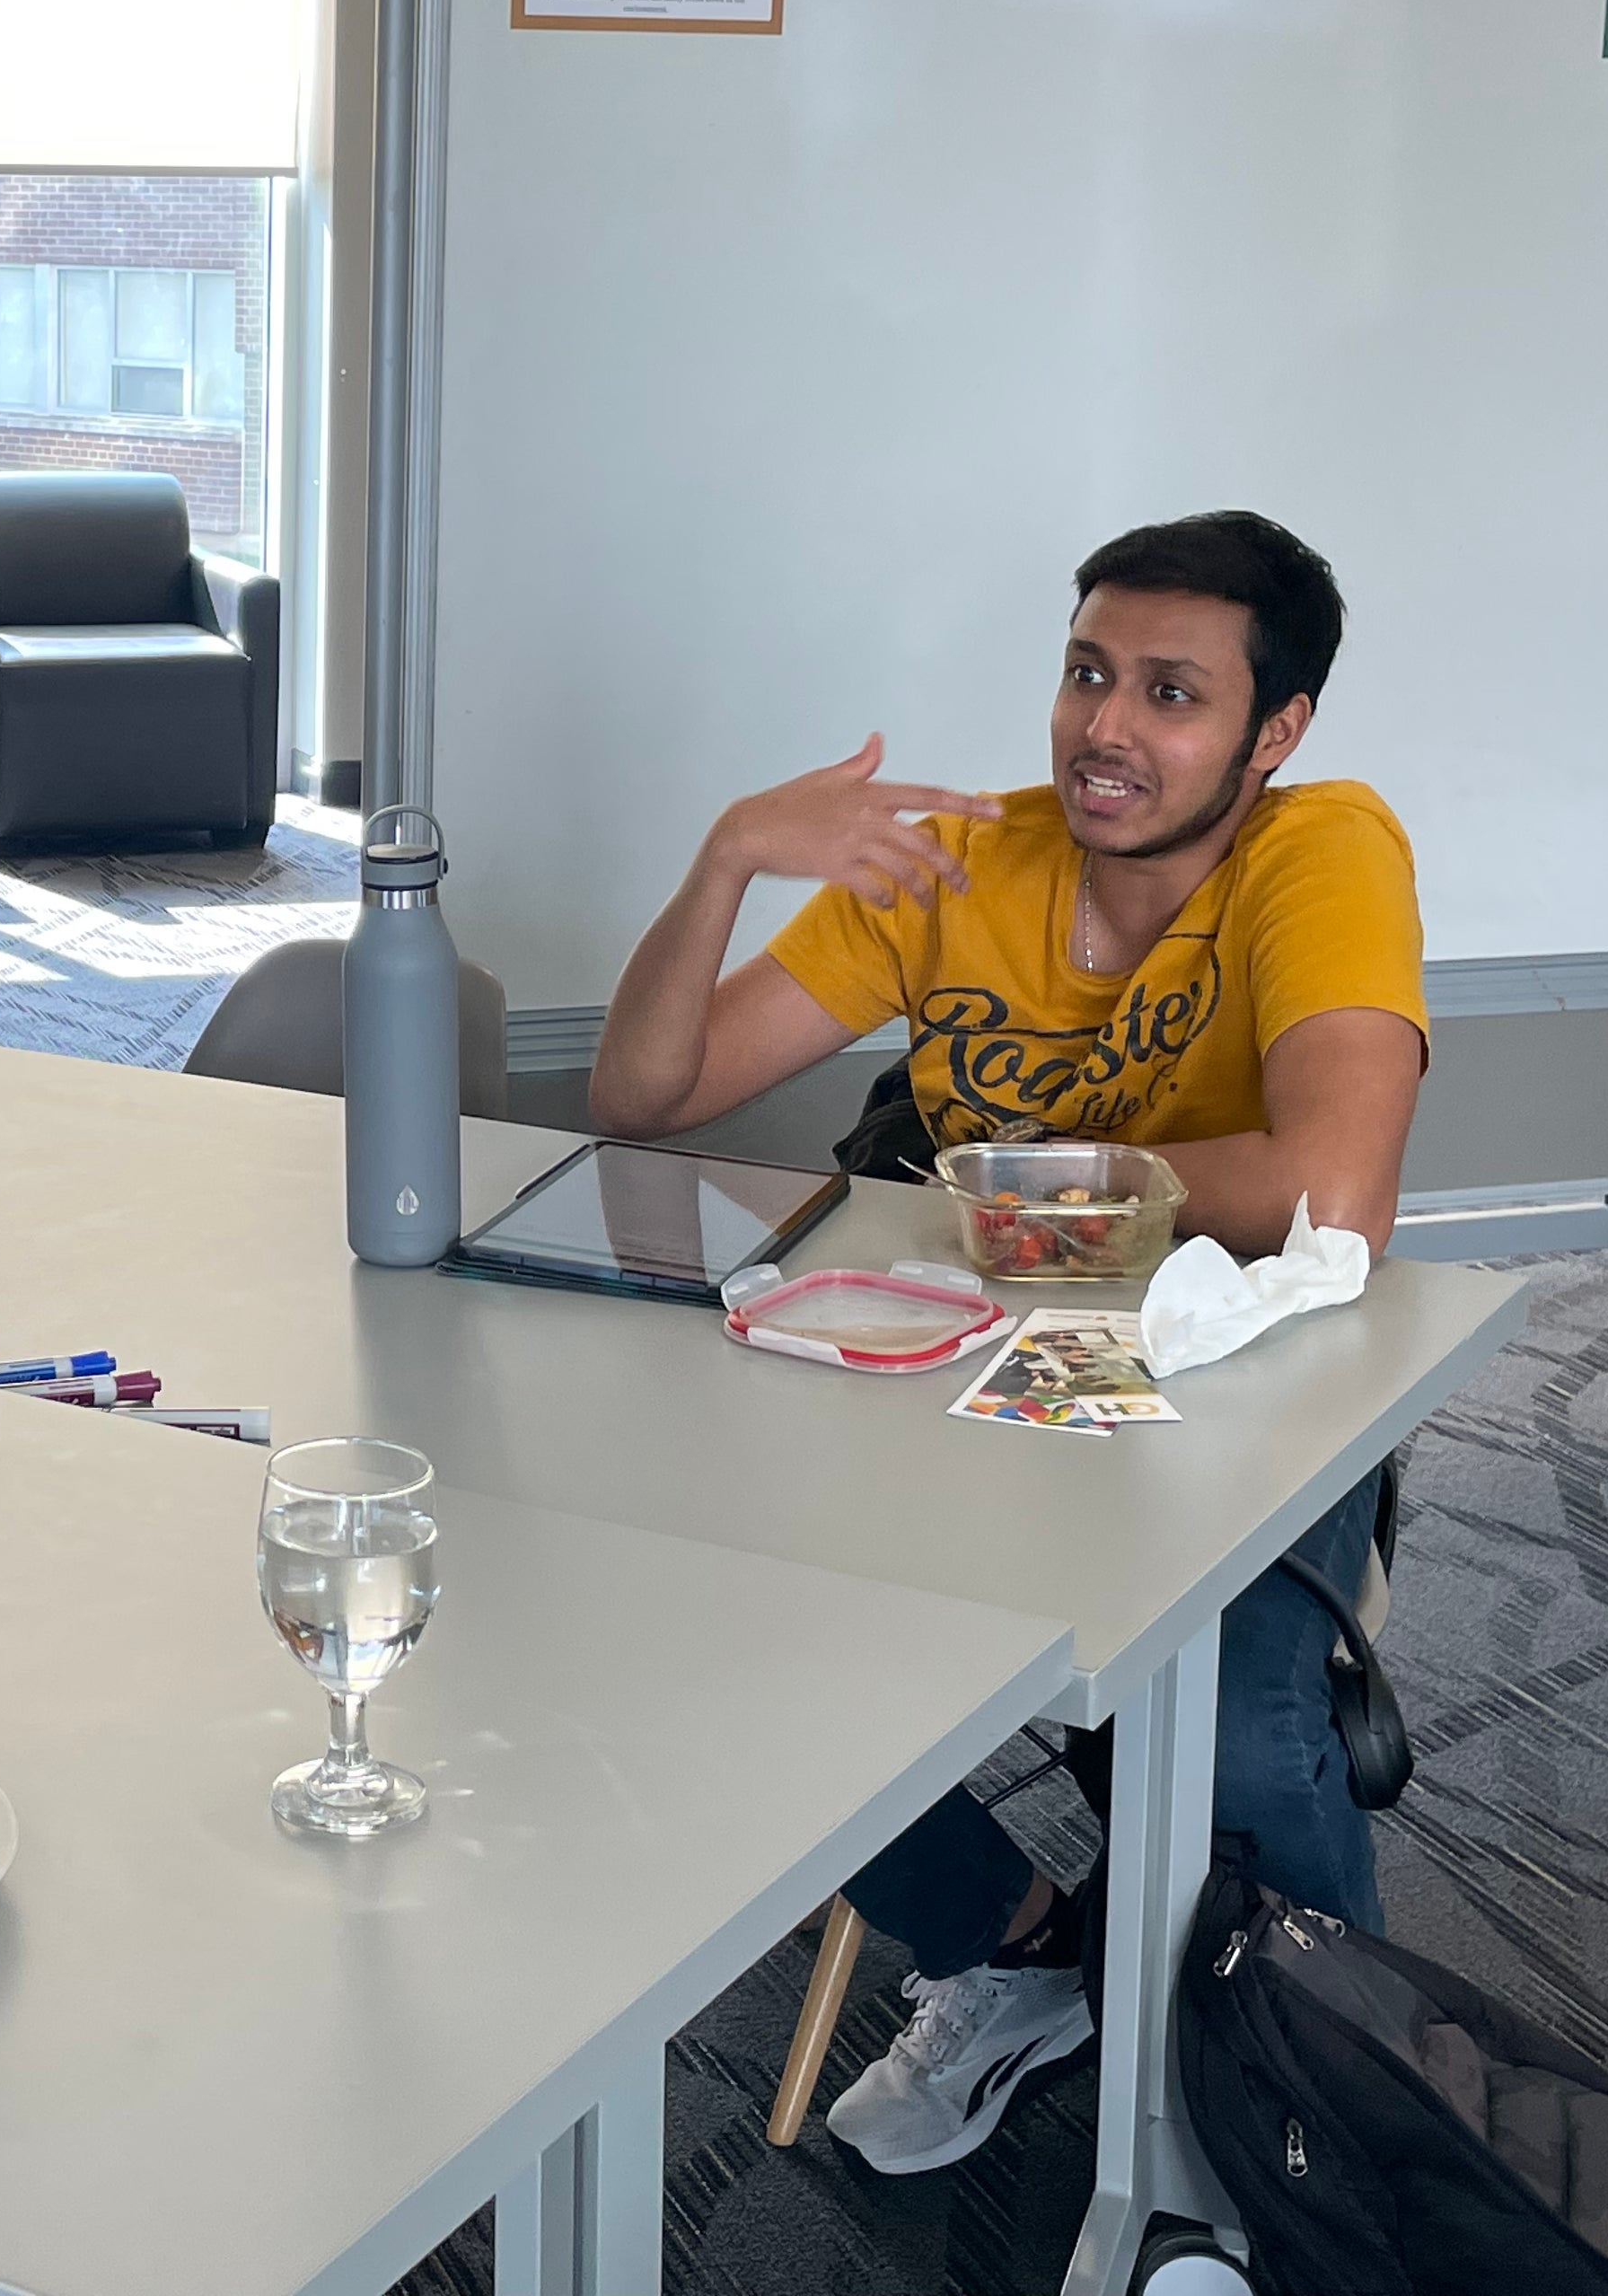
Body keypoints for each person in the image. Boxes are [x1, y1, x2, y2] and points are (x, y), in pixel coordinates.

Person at [589, 509, 1426, 2177]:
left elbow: (1332, 1188)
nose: (1107, 725)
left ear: (1275, 732)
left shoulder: (1322, 847)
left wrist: (1038, 1191)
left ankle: (1336, 2097)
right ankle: (1022, 1945)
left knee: (1237, 1710)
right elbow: (644, 1093)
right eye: (1086, 673)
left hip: (1221, 1388)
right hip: (956, 1377)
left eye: (1171, 693)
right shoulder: (968, 856)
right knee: (694, 1600)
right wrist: (725, 860)